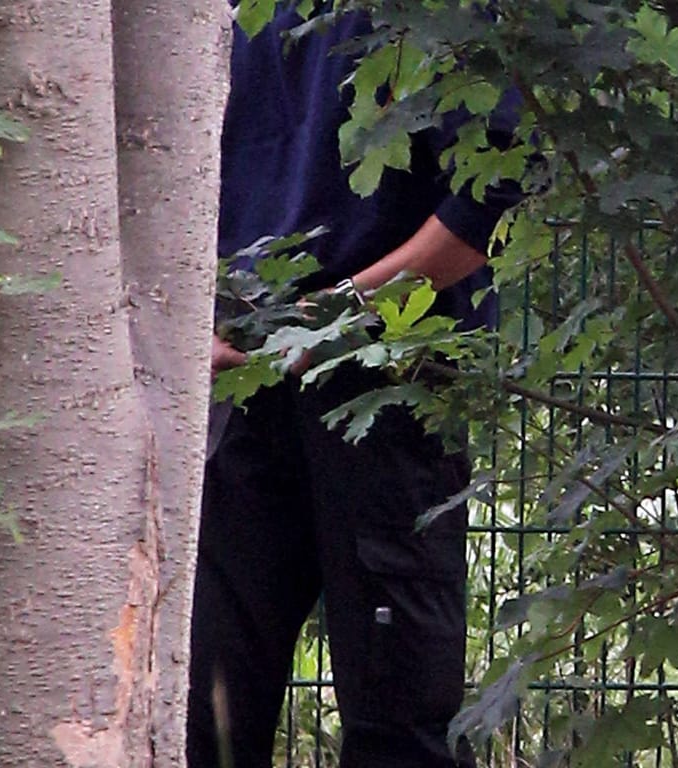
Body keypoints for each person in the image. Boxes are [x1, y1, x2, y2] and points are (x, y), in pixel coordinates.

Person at [186, 6, 524, 768]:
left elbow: (488, 197)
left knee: (398, 714)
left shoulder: (434, 15)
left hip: (391, 379)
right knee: (204, 709)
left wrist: (328, 320)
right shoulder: (214, 19)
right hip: (235, 376)